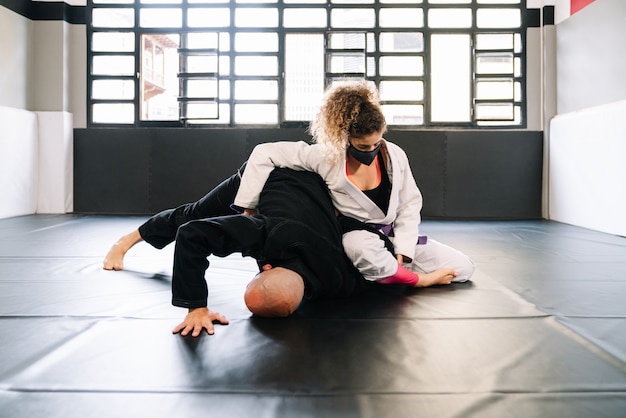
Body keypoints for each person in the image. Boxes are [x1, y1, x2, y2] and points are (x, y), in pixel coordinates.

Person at [233, 80, 475, 288]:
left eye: (376, 143)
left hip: (392, 236)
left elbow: (410, 203)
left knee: (463, 269)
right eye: (362, 146)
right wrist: (249, 207)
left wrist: (404, 249)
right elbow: (265, 152)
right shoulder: (326, 157)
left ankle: (392, 273)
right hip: (358, 236)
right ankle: (415, 280)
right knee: (359, 247)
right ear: (346, 137)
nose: (370, 150)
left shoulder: (396, 155)